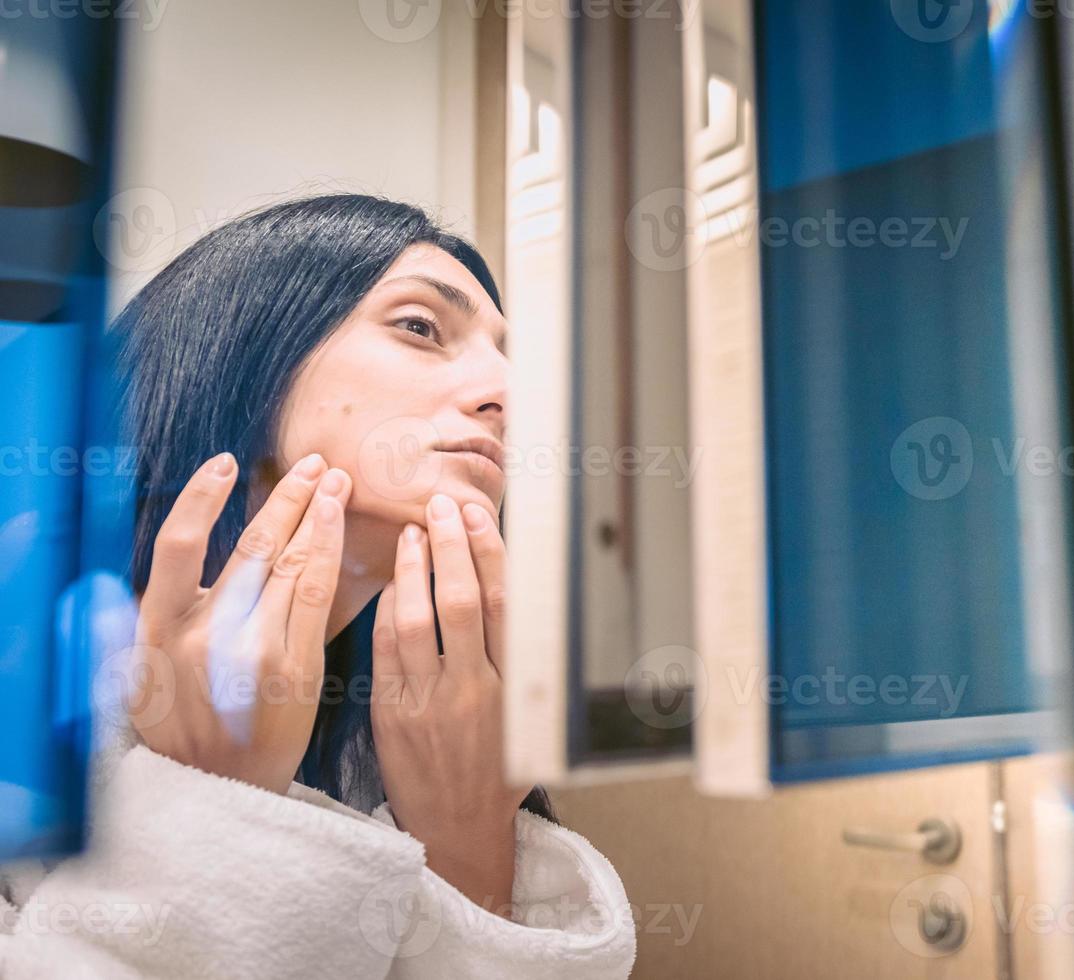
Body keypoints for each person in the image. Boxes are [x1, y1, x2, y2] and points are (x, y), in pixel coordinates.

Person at [0, 194, 637, 979]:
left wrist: (469, 846)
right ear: (242, 354)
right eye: (420, 327)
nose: (505, 391)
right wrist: (220, 796)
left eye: (509, 356)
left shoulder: (418, 732)